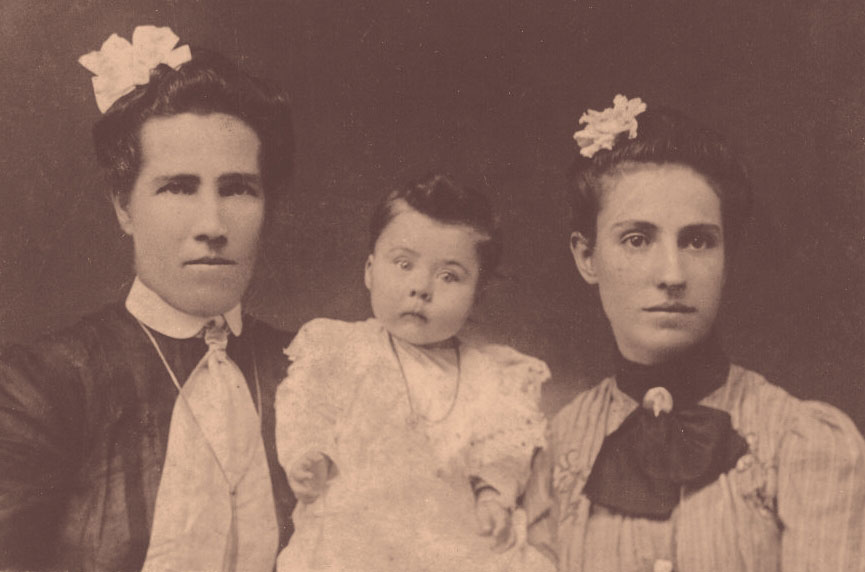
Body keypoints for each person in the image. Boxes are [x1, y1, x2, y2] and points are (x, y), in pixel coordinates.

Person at [525, 95, 865, 571]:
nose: (672, 273)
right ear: (587, 257)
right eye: (637, 240)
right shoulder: (553, 448)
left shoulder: (802, 442)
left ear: (726, 260)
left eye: (698, 241)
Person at [0, 26, 295, 571]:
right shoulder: (39, 387)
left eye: (237, 189)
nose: (212, 224)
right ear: (124, 208)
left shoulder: (310, 370)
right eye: (178, 187)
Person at [275, 174, 555, 571]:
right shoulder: (340, 350)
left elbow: (503, 449)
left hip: (447, 541)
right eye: (404, 264)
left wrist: (494, 495)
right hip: (354, 538)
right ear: (370, 270)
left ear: (478, 293)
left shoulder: (492, 378)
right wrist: (308, 453)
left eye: (449, 276)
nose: (421, 288)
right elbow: (306, 405)